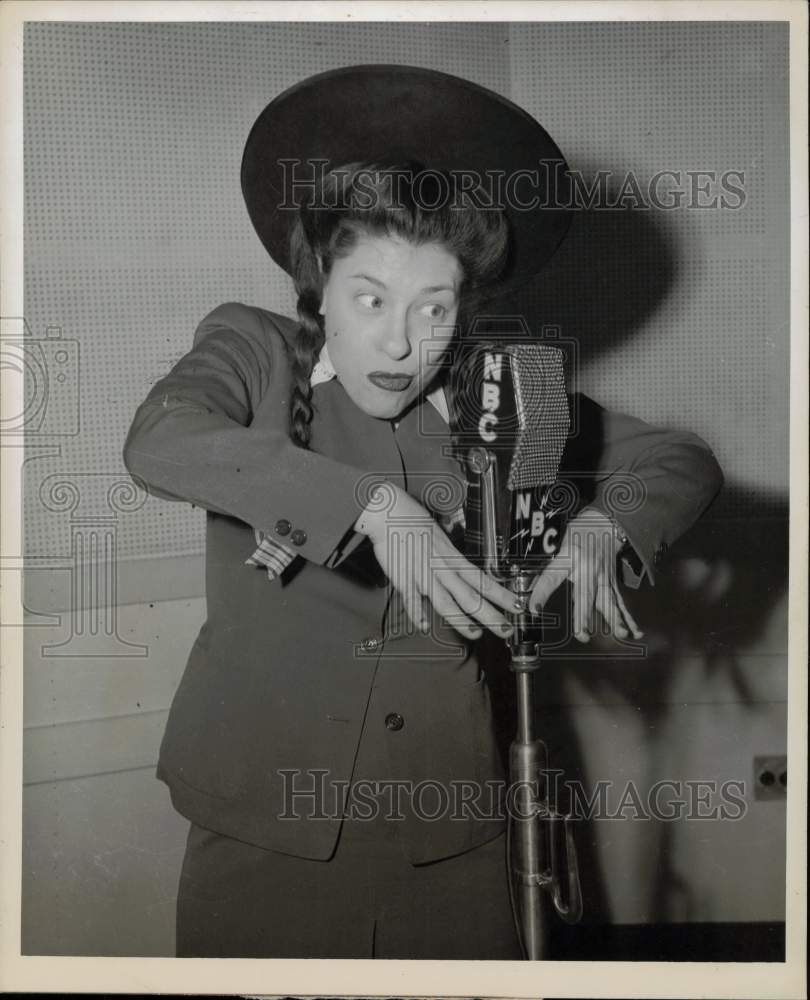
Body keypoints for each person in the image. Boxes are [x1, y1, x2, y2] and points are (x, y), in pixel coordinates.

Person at [122, 65, 724, 959]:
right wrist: (376, 506)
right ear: (319, 285)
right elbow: (160, 441)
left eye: (434, 308)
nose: (403, 343)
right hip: (264, 831)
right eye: (370, 300)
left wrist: (607, 524)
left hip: (453, 834)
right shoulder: (254, 349)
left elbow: (680, 460)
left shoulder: (497, 390)